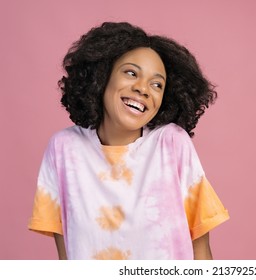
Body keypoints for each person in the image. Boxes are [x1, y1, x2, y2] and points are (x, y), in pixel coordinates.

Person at [28, 22, 229, 260]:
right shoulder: (63, 149)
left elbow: (200, 248)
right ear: (102, 76)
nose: (144, 89)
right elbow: (67, 257)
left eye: (157, 85)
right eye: (131, 73)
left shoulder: (172, 144)